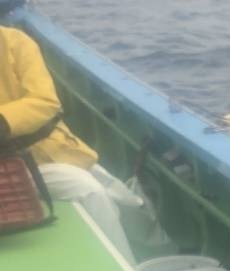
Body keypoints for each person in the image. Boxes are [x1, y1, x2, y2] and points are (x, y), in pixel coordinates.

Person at [0, 26, 138, 259]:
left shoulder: (16, 42)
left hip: (35, 159)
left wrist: (3, 121)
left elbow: (44, 101)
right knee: (91, 190)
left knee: (109, 194)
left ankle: (130, 264)